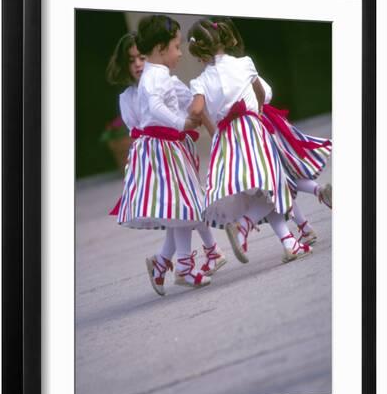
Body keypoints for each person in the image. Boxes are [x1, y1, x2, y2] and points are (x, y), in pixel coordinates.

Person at [106, 32, 226, 290]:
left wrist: (207, 129)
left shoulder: (167, 81)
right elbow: (136, 129)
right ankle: (187, 261)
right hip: (154, 156)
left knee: (182, 208)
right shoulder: (127, 96)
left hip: (176, 149)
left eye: (141, 57)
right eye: (131, 60)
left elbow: (193, 105)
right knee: (182, 208)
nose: (138, 64)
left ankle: (166, 262)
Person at [187, 18, 312, 264]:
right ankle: (244, 225)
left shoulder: (199, 81)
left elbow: (197, 109)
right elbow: (262, 93)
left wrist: (195, 108)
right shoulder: (244, 63)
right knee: (272, 186)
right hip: (252, 131)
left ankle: (289, 242)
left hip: (227, 140)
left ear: (198, 51)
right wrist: (259, 111)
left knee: (261, 193)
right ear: (222, 39)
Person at [211, 17, 332, 246]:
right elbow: (268, 93)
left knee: (277, 181)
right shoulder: (242, 65)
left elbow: (260, 95)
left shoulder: (234, 70)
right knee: (280, 179)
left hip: (257, 129)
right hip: (268, 124)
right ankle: (309, 215)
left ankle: (310, 207)